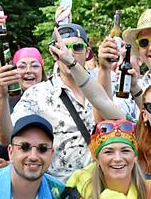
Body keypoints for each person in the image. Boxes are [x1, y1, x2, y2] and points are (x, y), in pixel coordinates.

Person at [8, 23, 137, 181]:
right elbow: (9, 136)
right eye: (62, 49)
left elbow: (112, 121)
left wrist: (104, 69)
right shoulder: (37, 95)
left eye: (77, 47)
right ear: (53, 53)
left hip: (106, 190)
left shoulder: (112, 83)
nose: (69, 54)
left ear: (88, 52)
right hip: (62, 193)